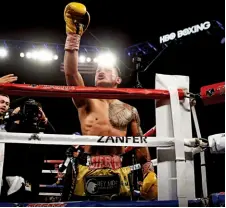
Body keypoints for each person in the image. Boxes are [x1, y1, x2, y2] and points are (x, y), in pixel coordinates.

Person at [63, 2, 157, 200]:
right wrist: (73, 37)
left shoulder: (130, 109)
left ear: (118, 80)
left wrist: (148, 171)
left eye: (107, 69)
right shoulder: (86, 100)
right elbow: (71, 73)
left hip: (119, 171)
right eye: (98, 70)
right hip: (85, 169)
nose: (100, 70)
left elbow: (139, 143)